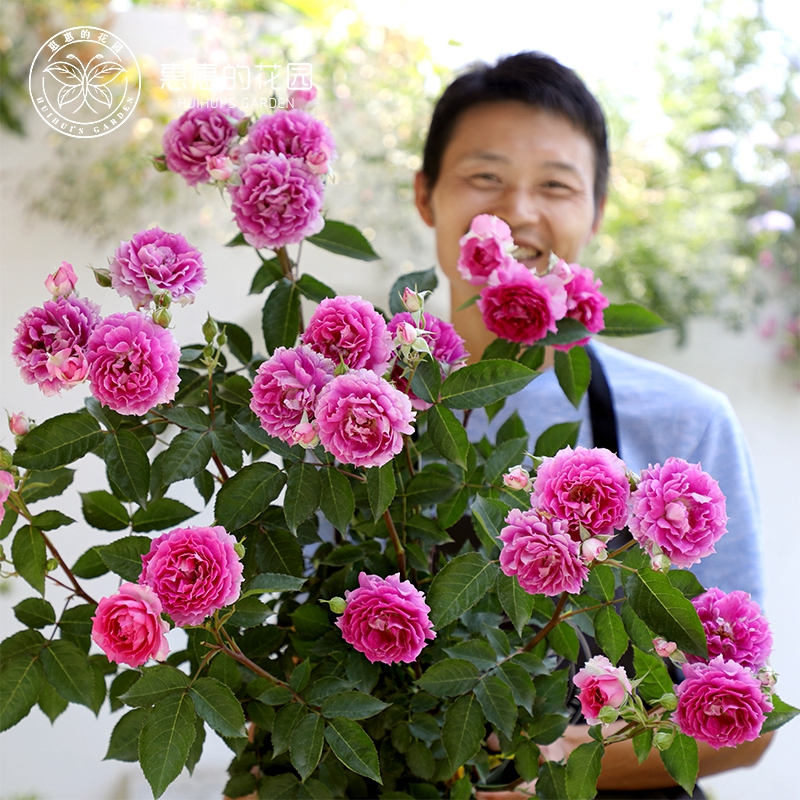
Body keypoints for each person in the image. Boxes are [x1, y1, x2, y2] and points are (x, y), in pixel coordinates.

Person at [413, 51, 772, 798]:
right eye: (484, 178)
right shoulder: (354, 415)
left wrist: (537, 773)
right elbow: (284, 678)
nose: (516, 212)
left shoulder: (685, 423)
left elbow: (746, 722)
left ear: (596, 211)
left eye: (555, 185)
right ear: (426, 197)